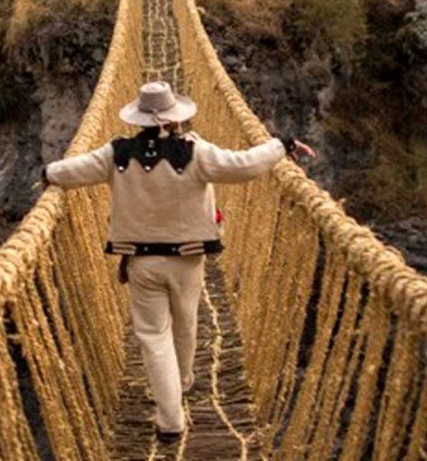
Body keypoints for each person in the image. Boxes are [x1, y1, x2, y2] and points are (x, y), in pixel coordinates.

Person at [41, 81, 315, 443]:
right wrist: (282, 144)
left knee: (153, 336)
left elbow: (72, 170)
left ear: (139, 120)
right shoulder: (196, 151)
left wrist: (48, 175)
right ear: (175, 118)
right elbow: (244, 165)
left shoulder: (117, 153)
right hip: (187, 260)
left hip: (140, 262)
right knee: (186, 324)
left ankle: (170, 420)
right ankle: (182, 382)